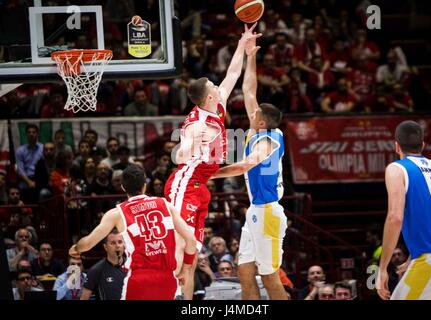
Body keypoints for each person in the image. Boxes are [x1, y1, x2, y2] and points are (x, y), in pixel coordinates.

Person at [163, 23, 261, 300]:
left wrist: (243, 43)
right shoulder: (198, 125)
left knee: (192, 256)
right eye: (214, 86)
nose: (219, 87)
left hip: (200, 184)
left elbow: (232, 74)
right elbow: (181, 157)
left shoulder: (216, 104)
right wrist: (191, 148)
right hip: (185, 184)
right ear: (209, 95)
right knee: (180, 251)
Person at [211, 36, 287, 300]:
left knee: (269, 275)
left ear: (262, 122)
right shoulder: (260, 129)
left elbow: (246, 164)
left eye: (255, 115)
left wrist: (209, 172)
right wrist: (251, 56)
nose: (250, 112)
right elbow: (250, 90)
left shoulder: (269, 139)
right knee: (244, 271)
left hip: (268, 213)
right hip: (256, 212)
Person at [69, 164, 197, 300]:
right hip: (167, 279)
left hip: (140, 279)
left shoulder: (117, 213)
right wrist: (186, 269)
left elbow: (87, 244)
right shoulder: (166, 205)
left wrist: (76, 248)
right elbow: (191, 241)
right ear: (145, 184)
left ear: (123, 187)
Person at [377, 120, 431, 300]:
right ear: (423, 145)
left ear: (396, 146)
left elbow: (395, 217)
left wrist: (382, 268)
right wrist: (411, 257)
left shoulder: (397, 169)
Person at [80, 230, 126, 300]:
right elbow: (84, 298)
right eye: (113, 243)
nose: (117, 246)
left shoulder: (133, 265)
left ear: (124, 245)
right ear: (105, 247)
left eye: (120, 242)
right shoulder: (96, 270)